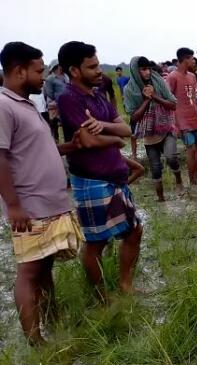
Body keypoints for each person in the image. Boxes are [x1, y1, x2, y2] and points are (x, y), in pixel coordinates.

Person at [0, 42, 85, 344]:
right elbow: (1, 157)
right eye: (38, 71)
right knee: (30, 271)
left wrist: (69, 147)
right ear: (19, 71)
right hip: (30, 206)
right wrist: (14, 206)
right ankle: (36, 343)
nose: (44, 76)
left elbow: (34, 150)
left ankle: (53, 323)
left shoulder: (25, 105)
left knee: (45, 266)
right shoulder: (4, 105)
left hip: (49, 202)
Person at [56, 41, 142, 300]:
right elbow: (87, 141)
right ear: (74, 70)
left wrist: (103, 126)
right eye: (92, 67)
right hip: (91, 179)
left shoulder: (97, 96)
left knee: (134, 231)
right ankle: (102, 298)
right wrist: (115, 140)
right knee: (96, 243)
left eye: (97, 65)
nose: (98, 70)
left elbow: (126, 129)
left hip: (115, 177)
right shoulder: (69, 98)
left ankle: (125, 285)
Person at [124, 56, 184, 202]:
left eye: (149, 69)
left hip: (166, 128)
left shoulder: (159, 82)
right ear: (135, 71)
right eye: (143, 69)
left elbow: (173, 104)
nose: (147, 72)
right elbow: (134, 117)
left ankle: (179, 181)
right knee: (156, 169)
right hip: (149, 134)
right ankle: (161, 199)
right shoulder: (130, 90)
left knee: (171, 158)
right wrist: (146, 100)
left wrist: (155, 96)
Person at [167, 48, 197, 186]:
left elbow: (195, 99)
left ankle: (196, 175)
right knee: (191, 149)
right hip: (182, 121)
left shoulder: (192, 76)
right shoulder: (172, 77)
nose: (193, 61)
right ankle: (192, 180)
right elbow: (168, 101)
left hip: (195, 119)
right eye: (191, 58)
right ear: (184, 59)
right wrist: (175, 124)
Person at [43, 64, 67, 140]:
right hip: (54, 104)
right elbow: (49, 93)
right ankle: (55, 140)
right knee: (53, 124)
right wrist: (57, 100)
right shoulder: (50, 78)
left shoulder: (65, 76)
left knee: (66, 124)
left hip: (65, 104)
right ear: (57, 67)